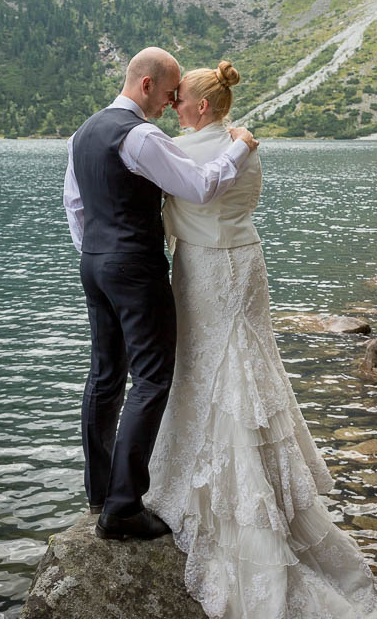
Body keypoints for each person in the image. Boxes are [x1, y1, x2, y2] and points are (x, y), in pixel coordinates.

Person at [144, 60, 377, 619]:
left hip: (206, 270)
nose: (171, 105)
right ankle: (265, 493)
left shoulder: (188, 152)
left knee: (212, 368)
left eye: (178, 98)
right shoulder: (244, 146)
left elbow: (168, 203)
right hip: (245, 263)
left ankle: (227, 505)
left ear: (201, 106)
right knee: (245, 364)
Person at [63, 47, 259, 542]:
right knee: (151, 379)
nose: (172, 101)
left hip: (94, 263)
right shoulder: (140, 135)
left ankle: (99, 491)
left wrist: (99, 253)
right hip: (134, 266)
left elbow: (75, 204)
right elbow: (198, 187)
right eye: (170, 92)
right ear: (147, 85)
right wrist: (239, 146)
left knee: (105, 376)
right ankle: (124, 508)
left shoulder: (83, 132)